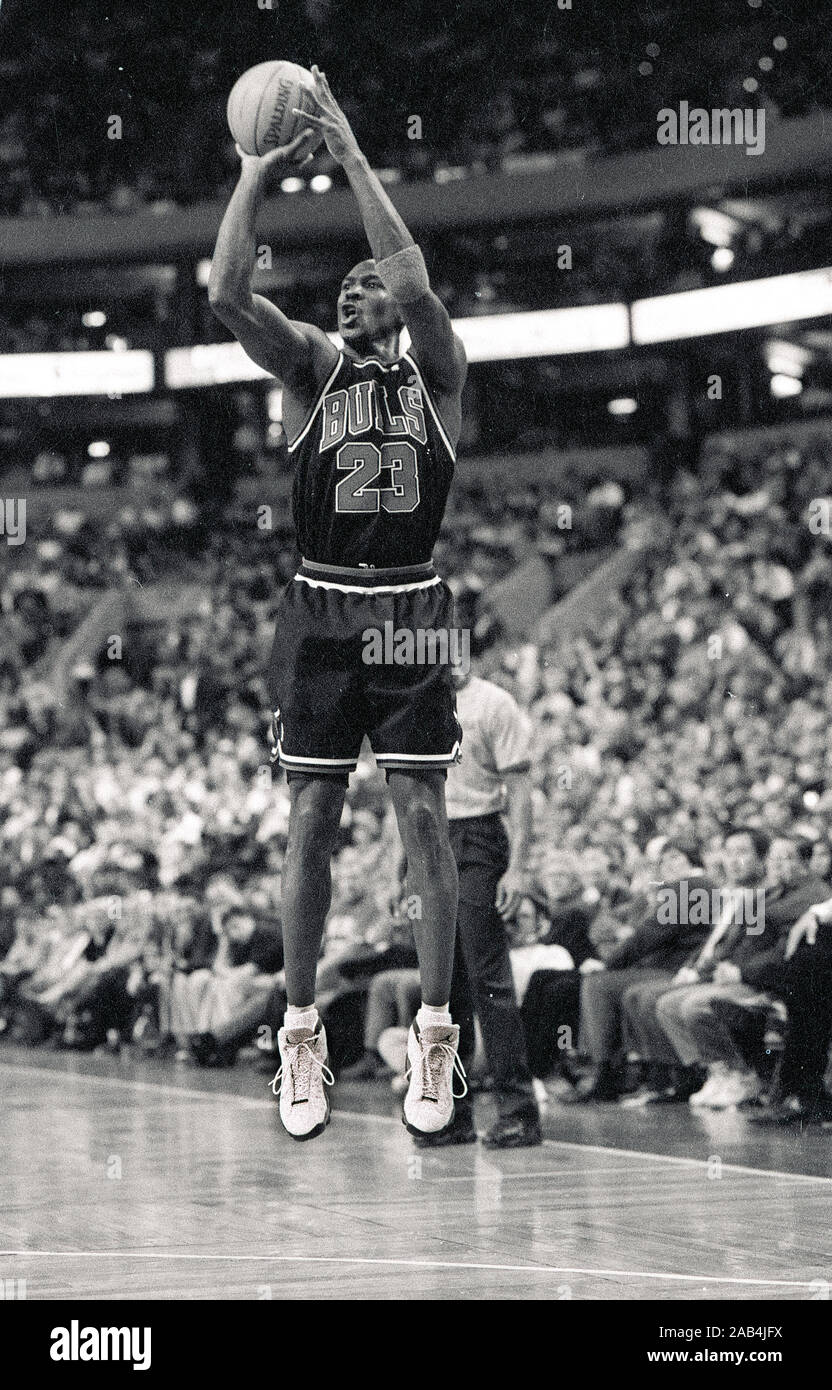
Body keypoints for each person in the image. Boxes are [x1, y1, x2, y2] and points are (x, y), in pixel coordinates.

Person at [209, 67, 467, 1140]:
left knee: (420, 817)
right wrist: (254, 177)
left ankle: (441, 1032)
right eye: (345, 283)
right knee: (310, 818)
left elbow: (409, 276)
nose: (357, 285)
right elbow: (225, 293)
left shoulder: (441, 372)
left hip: (411, 605)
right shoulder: (310, 370)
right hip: (318, 606)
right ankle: (301, 1028)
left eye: (370, 282)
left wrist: (354, 151)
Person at [406, 667, 542, 1149]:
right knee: (443, 982)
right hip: (429, 834)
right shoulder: (415, 700)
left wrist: (519, 868)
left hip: (479, 834)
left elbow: (521, 792)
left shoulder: (493, 704)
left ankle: (518, 1109)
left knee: (487, 977)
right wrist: (398, 867)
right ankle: (451, 1112)